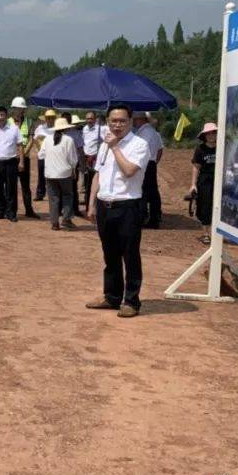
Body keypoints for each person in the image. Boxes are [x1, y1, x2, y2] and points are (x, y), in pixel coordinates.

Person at [85, 103, 150, 318]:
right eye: (113, 121)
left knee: (130, 255)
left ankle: (131, 300)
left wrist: (115, 147)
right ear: (107, 122)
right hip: (105, 205)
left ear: (130, 122)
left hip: (128, 207)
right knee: (110, 255)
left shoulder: (139, 144)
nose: (117, 125)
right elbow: (98, 174)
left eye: (122, 120)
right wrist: (91, 203)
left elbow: (130, 171)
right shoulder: (104, 145)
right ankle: (112, 296)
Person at [42, 116, 79, 231]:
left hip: (50, 173)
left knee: (53, 198)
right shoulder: (68, 140)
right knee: (67, 196)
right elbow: (73, 159)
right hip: (64, 173)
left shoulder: (47, 139)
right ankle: (66, 219)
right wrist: (73, 169)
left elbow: (41, 155)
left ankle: (54, 223)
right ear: (66, 128)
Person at [9, 97, 39, 219]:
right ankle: (12, 210)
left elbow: (31, 139)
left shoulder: (29, 121)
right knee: (11, 186)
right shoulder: (7, 122)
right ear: (14, 109)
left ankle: (29, 210)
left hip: (24, 157)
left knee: (25, 186)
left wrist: (23, 153)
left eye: (22, 109)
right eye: (18, 109)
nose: (20, 111)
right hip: (10, 158)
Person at [134, 111, 164, 229]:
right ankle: (155, 217)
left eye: (135, 120)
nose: (134, 122)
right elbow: (160, 149)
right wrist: (155, 161)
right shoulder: (154, 132)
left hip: (144, 163)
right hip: (150, 163)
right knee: (153, 192)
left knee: (143, 191)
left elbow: (142, 150)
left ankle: (143, 218)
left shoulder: (144, 133)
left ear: (140, 120)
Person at [190, 122, 218, 245]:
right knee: (205, 205)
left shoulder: (222, 147)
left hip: (218, 181)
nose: (212, 135)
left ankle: (217, 234)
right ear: (205, 136)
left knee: (217, 207)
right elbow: (196, 167)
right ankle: (206, 234)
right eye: (209, 134)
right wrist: (193, 184)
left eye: (214, 133)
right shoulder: (200, 149)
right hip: (205, 181)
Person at [81, 112, 105, 208]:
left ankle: (96, 205)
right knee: (87, 183)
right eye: (87, 119)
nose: (89, 120)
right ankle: (88, 205)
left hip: (95, 158)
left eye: (91, 118)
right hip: (86, 158)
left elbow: (105, 143)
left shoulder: (102, 129)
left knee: (95, 182)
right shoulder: (85, 128)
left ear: (95, 119)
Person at [33, 111, 56, 201]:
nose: (50, 119)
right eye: (48, 118)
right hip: (42, 155)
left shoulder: (57, 128)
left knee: (53, 175)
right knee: (41, 175)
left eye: (52, 117)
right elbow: (34, 139)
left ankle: (53, 194)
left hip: (54, 155)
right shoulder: (40, 128)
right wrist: (38, 148)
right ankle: (40, 194)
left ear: (54, 118)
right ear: (45, 119)